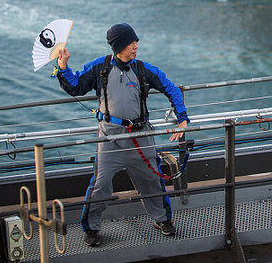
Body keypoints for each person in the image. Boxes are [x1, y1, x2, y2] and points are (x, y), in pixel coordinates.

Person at [55, 23, 189, 247]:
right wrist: (63, 66)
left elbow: (171, 88)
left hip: (141, 136)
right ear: (118, 46)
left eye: (135, 41)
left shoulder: (144, 69)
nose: (136, 45)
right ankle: (92, 228)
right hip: (109, 137)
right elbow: (75, 86)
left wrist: (182, 118)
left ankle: (163, 220)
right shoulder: (100, 67)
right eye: (131, 42)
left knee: (152, 180)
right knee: (100, 183)